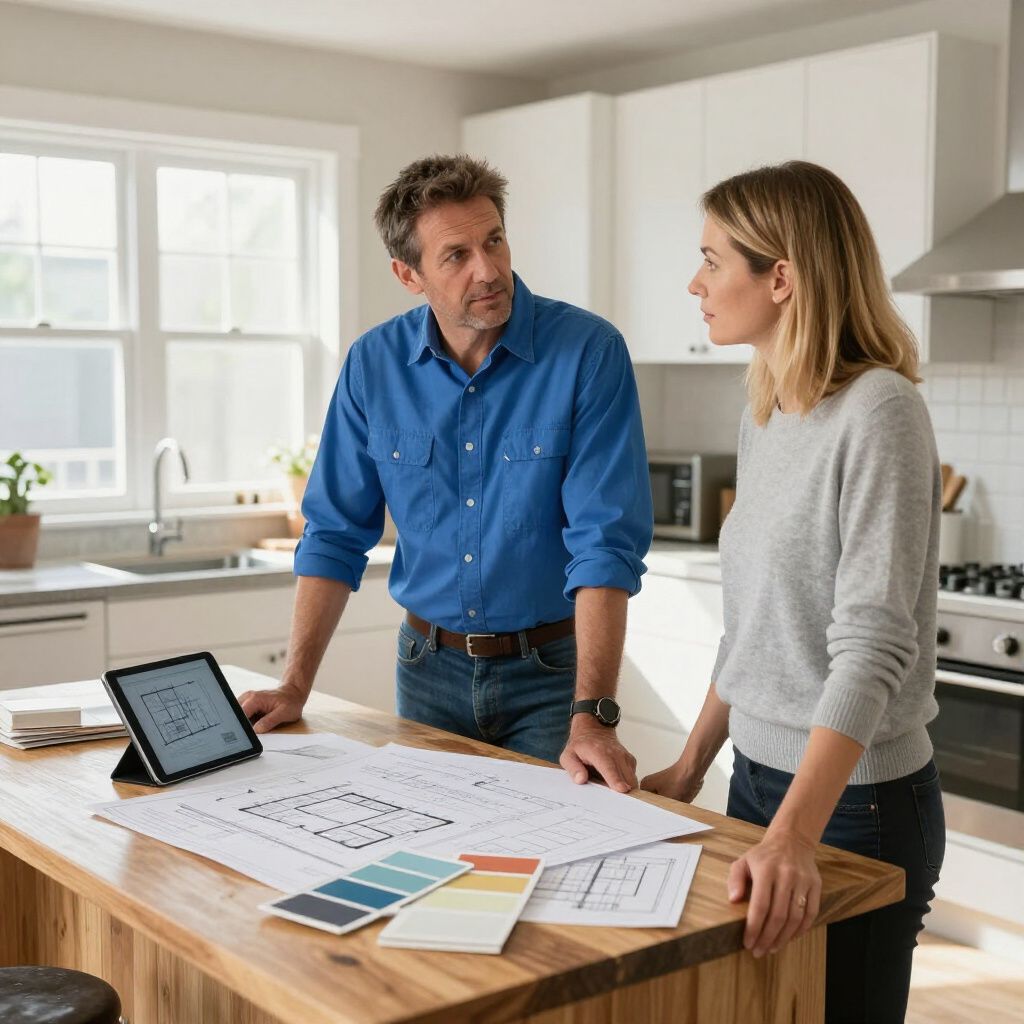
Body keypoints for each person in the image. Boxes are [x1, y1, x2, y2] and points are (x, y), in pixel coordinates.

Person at [239, 154, 652, 792]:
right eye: (456, 255)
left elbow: (604, 543)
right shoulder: (373, 364)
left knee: (549, 844)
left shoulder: (588, 353)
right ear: (409, 274)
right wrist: (295, 685)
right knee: (428, 842)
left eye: (494, 241)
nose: (488, 270)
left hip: (553, 677)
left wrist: (593, 714)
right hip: (426, 670)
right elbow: (334, 533)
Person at [641, 161, 944, 1024]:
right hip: (755, 783)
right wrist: (691, 767)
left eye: (712, 261)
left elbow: (873, 646)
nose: (694, 283)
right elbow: (754, 629)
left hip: (855, 806)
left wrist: (795, 834)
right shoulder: (768, 410)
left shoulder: (880, 412)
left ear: (780, 278)